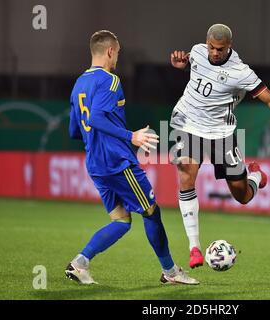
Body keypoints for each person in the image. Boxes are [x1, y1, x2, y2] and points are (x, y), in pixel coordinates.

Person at [169, 24, 270, 268]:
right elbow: (190, 61)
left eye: (219, 49)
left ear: (229, 47)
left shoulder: (241, 71)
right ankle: (194, 247)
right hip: (188, 122)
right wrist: (180, 63)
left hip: (222, 133)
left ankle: (254, 176)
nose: (214, 52)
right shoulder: (198, 51)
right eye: (211, 47)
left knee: (242, 195)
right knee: (185, 173)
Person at [66, 30, 199, 285]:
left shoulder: (78, 84)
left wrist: (96, 140)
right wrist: (131, 136)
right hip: (118, 161)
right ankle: (170, 272)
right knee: (151, 212)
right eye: (118, 52)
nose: (117, 57)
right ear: (110, 51)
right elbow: (95, 118)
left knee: (121, 220)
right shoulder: (110, 81)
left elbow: (75, 129)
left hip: (95, 162)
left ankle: (79, 263)